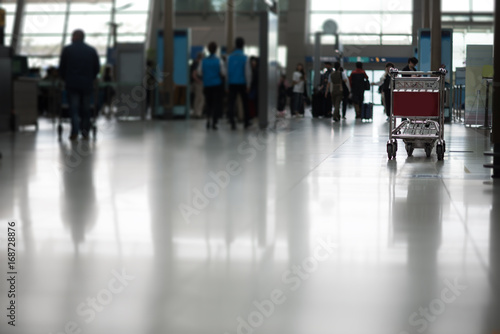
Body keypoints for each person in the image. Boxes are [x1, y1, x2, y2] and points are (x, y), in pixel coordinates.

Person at [59, 29, 100, 141]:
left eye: (72, 36)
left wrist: (65, 78)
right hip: (87, 84)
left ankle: (74, 132)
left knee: (74, 108)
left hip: (72, 84)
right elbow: (97, 68)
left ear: (75, 37)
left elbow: (62, 68)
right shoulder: (91, 50)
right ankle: (85, 132)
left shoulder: (67, 50)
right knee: (86, 109)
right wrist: (91, 78)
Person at [198, 41, 226, 130]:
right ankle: (214, 122)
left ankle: (208, 120)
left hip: (207, 85)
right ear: (216, 49)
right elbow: (223, 73)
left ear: (208, 50)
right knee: (216, 103)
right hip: (217, 85)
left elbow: (199, 72)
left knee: (208, 103)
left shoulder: (203, 61)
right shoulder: (219, 61)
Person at [227, 37, 252, 129]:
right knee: (245, 103)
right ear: (243, 45)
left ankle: (232, 122)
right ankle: (246, 122)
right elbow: (247, 72)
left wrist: (227, 84)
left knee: (231, 103)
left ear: (235, 44)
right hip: (242, 83)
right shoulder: (245, 58)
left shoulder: (229, 57)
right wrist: (248, 84)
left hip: (232, 83)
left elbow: (227, 72)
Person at [191, 52, 205, 118]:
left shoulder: (195, 63)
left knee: (197, 98)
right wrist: (199, 81)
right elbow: (194, 75)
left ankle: (195, 112)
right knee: (201, 98)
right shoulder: (197, 64)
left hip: (196, 83)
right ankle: (198, 113)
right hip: (198, 83)